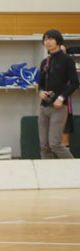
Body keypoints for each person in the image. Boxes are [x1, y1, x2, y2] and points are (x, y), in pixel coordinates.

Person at [38, 29, 78, 159]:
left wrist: (61, 98)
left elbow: (75, 83)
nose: (47, 42)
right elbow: (41, 83)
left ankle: (75, 169)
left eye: (50, 39)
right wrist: (41, 92)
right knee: (44, 145)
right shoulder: (45, 62)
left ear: (58, 41)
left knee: (55, 143)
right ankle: (46, 174)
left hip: (59, 108)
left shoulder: (67, 60)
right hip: (44, 107)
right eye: (45, 39)